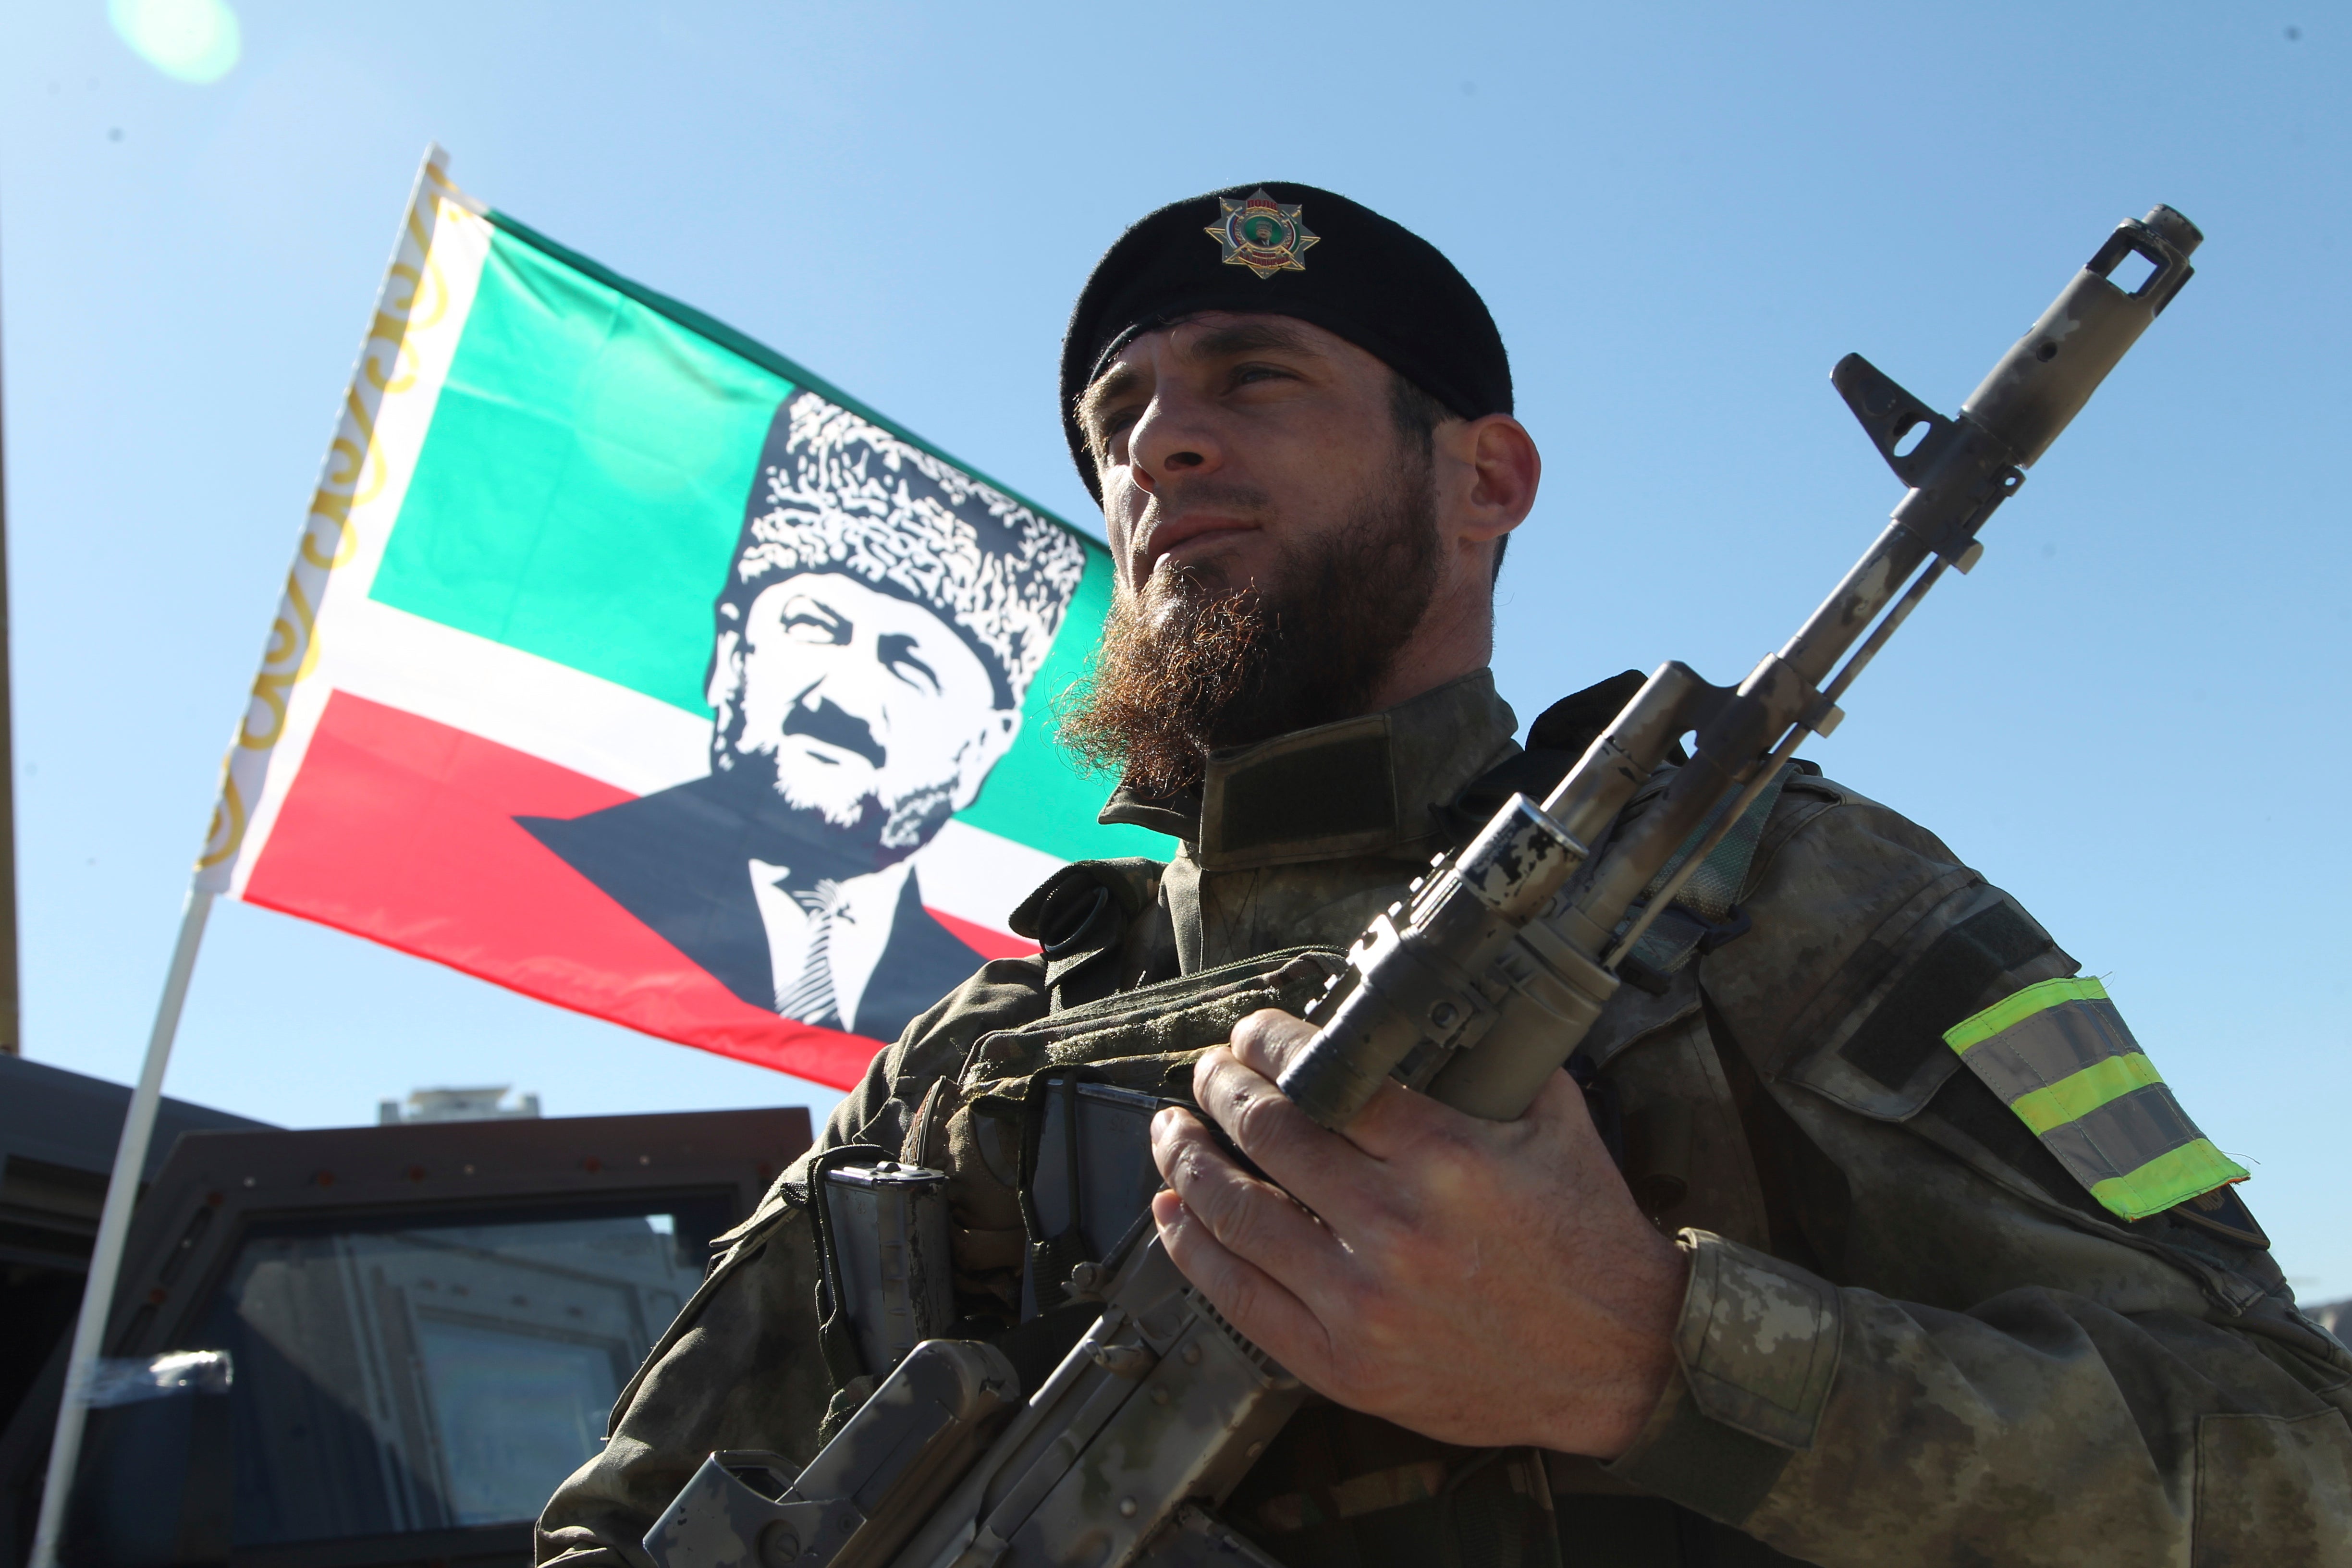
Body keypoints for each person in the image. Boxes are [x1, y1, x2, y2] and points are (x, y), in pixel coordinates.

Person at [537, 185, 2352, 1567]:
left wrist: (1650, 1351)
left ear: (1486, 476)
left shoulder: (1779, 904)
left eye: (1256, 379)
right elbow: (611, 1519)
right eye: (1122, 416)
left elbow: (2295, 1457)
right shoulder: (958, 1066)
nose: (1163, 444)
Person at [522, 388, 1087, 1045]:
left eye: (910, 663)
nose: (844, 695)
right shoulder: (556, 882)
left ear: (982, 749)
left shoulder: (1010, 1016)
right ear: (732, 655)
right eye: (816, 627)